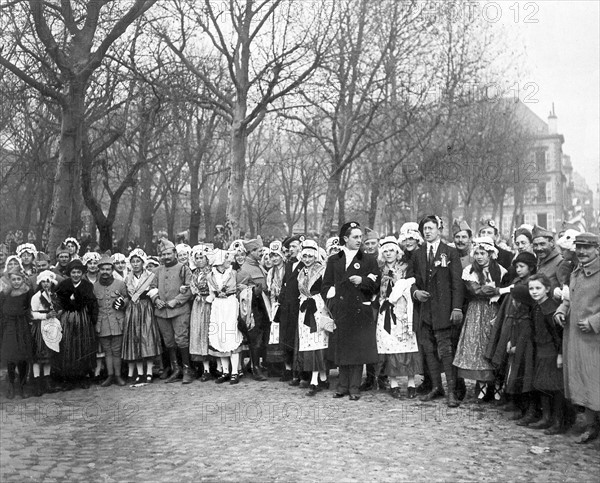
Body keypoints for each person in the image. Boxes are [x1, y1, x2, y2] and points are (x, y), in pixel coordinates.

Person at [407, 215, 464, 408]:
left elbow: (457, 283)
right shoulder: (418, 253)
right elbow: (410, 279)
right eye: (425, 229)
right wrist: (415, 292)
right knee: (429, 350)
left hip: (444, 310)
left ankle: (451, 392)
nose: (427, 231)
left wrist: (456, 307)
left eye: (431, 228)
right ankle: (436, 387)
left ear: (439, 229)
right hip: (425, 311)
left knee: (445, 351)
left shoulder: (450, 252)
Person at [321, 221, 380, 401]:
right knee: (342, 348)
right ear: (345, 239)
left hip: (360, 310)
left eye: (360, 237)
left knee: (357, 350)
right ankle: (342, 385)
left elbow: (376, 285)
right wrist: (332, 301)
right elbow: (326, 285)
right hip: (341, 310)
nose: (359, 240)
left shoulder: (368, 260)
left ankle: (354, 387)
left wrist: (362, 281)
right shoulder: (334, 260)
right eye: (355, 237)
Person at [555, 232, 600, 443]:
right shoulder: (577, 271)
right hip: (577, 338)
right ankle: (591, 427)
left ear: (596, 249)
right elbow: (571, 298)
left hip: (594, 340)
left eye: (587, 248)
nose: (582, 251)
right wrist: (561, 310)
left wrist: (594, 322)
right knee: (585, 383)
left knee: (595, 382)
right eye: (579, 247)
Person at [453, 237, 507, 402]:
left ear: (491, 254)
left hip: (494, 311)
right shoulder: (470, 270)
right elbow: (475, 290)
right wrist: (498, 290)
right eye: (476, 253)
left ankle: (496, 385)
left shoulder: (500, 270)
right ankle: (481, 385)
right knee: (478, 345)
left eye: (483, 253)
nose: (479, 256)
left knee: (492, 343)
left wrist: (500, 292)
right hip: (477, 311)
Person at [485, 252, 537, 420]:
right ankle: (511, 398)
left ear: (531, 268)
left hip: (521, 327)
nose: (518, 269)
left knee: (520, 366)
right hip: (509, 323)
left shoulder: (531, 284)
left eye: (522, 267)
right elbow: (508, 302)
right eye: (517, 266)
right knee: (508, 363)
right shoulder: (516, 282)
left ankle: (521, 403)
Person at [376, 236, 421, 399]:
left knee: (406, 344)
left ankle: (411, 383)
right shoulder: (379, 269)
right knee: (390, 346)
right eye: (385, 251)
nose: (389, 254)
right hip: (385, 309)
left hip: (402, 309)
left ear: (397, 252)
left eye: (391, 251)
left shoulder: (405, 267)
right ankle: (393, 383)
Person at [149, 238, 194, 384]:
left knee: (181, 339)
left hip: (180, 311)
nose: (166, 257)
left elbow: (190, 288)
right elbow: (151, 288)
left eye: (169, 254)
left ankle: (187, 369)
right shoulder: (156, 271)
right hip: (162, 312)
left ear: (175, 253)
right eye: (163, 255)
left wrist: (176, 300)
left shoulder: (183, 269)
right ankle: (176, 369)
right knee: (168, 342)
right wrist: (156, 299)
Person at [527, 273, 565, 435]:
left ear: (547, 289)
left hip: (551, 351)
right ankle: (545, 417)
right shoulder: (536, 307)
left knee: (554, 386)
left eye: (538, 288)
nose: (534, 292)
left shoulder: (550, 309)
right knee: (542, 384)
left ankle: (557, 421)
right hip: (541, 350)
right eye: (531, 289)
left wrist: (560, 354)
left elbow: (558, 334)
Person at [54, 259, 98, 389]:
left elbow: (91, 303)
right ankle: (68, 378)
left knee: (82, 346)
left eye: (79, 272)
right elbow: (59, 301)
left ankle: (82, 377)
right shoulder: (64, 285)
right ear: (69, 273)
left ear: (82, 273)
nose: (76, 275)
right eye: (73, 272)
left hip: (82, 318)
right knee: (68, 346)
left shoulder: (87, 285)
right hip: (67, 319)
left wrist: (92, 320)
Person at [122, 248, 162, 384]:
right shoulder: (127, 278)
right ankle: (139, 373)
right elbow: (127, 296)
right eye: (133, 261)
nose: (135, 264)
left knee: (147, 337)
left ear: (143, 262)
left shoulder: (150, 276)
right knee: (135, 338)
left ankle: (149, 371)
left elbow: (154, 292)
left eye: (138, 261)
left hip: (146, 309)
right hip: (132, 310)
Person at [297, 239, 330, 396]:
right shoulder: (301, 272)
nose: (307, 259)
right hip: (304, 306)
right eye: (305, 256)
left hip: (317, 305)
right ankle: (322, 377)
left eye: (310, 256)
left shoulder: (322, 270)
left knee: (318, 340)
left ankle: (315, 380)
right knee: (308, 341)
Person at [236, 238, 271, 381]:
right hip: (252, 309)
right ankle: (255, 368)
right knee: (254, 338)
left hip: (262, 307)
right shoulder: (244, 269)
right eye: (259, 251)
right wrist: (253, 291)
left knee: (260, 338)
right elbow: (239, 292)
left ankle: (254, 363)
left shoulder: (258, 266)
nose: (262, 253)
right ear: (251, 252)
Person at [207, 249, 243, 384]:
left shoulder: (233, 273)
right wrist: (215, 296)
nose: (230, 260)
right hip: (218, 306)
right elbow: (211, 293)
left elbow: (240, 288)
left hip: (230, 305)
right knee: (220, 336)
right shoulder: (210, 276)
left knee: (232, 335)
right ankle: (225, 371)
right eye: (226, 258)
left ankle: (235, 372)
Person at [94, 255, 128, 387]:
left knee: (116, 350)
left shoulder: (120, 284)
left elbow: (127, 298)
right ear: (99, 270)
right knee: (107, 351)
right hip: (102, 323)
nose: (105, 272)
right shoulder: (95, 286)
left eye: (108, 269)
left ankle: (118, 376)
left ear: (112, 270)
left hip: (117, 322)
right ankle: (110, 376)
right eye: (102, 269)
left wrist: (123, 303)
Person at [0, 267, 34, 399]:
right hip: (9, 326)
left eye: (18, 279)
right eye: (13, 279)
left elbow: (31, 307)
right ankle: (11, 385)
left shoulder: (27, 292)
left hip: (23, 325)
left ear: (23, 279)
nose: (16, 282)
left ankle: (23, 385)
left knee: (23, 355)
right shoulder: (5, 293)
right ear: (10, 280)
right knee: (10, 356)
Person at [276, 235, 305, 384]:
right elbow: (284, 285)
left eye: (294, 246)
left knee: (297, 339)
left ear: (301, 246)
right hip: (287, 307)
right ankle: (287, 368)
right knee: (286, 338)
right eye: (290, 247)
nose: (292, 249)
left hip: (299, 307)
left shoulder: (305, 264)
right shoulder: (288, 264)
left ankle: (298, 371)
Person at [29, 270, 61, 396]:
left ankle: (47, 381)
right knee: (38, 356)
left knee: (48, 355)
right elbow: (32, 313)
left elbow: (58, 308)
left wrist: (56, 313)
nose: (46, 284)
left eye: (48, 282)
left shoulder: (53, 296)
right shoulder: (36, 297)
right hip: (40, 327)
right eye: (43, 282)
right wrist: (45, 315)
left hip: (51, 327)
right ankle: (37, 383)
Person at [189, 244, 213, 380]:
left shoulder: (211, 272)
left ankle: (215, 367)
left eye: (201, 258)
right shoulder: (194, 273)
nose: (199, 260)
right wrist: (196, 293)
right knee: (199, 333)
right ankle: (205, 368)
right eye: (197, 258)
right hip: (198, 305)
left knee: (208, 332)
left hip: (209, 304)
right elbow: (192, 286)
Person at [531, 225, 563, 293]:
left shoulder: (560, 262)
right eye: (535, 245)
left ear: (551, 243)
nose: (539, 248)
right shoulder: (539, 260)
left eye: (542, 244)